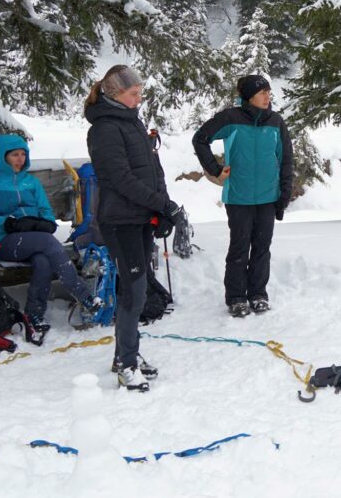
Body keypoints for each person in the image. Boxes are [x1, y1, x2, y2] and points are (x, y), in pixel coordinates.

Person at [86, 64, 181, 391]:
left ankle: (125, 354)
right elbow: (121, 179)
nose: (139, 99)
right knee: (135, 290)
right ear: (115, 94)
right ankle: (126, 363)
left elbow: (153, 169)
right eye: (133, 94)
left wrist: (163, 205)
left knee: (136, 289)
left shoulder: (132, 121)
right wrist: (160, 203)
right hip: (120, 220)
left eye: (140, 93)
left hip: (140, 217)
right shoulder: (104, 129)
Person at [0, 134, 102, 341]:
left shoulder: (31, 182)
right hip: (5, 242)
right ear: (3, 156)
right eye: (15, 154)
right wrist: (8, 223)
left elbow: (46, 212)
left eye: (23, 154)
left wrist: (42, 223)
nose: (20, 159)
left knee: (43, 260)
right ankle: (82, 294)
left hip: (35, 240)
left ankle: (34, 313)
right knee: (47, 243)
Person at [192, 74, 293, 317]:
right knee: (239, 248)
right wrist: (215, 169)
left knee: (262, 248)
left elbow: (286, 159)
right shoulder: (231, 118)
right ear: (249, 97)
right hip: (238, 197)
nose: (268, 97)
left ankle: (258, 294)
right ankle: (236, 297)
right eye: (262, 93)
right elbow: (200, 139)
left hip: (268, 198)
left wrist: (284, 195)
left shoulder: (276, 122)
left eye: (269, 92)